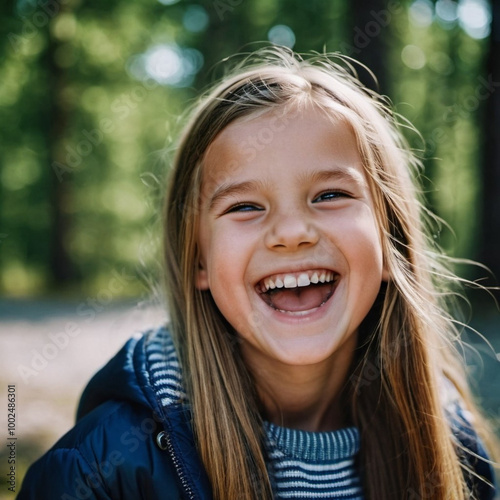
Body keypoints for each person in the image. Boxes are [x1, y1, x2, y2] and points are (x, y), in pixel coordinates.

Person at [18, 48, 498, 500]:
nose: (291, 233)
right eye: (245, 206)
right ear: (198, 261)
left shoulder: (452, 447)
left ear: (390, 240)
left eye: (330, 195)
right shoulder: (104, 469)